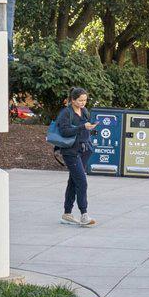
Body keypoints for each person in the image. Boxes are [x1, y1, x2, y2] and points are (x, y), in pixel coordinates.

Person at [49, 88, 97, 227]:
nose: (83, 103)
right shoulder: (66, 113)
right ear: (73, 100)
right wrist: (82, 127)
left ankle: (67, 214)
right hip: (71, 152)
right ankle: (84, 214)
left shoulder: (85, 111)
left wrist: (90, 127)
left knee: (73, 181)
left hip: (84, 150)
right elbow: (64, 131)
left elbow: (85, 128)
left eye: (85, 100)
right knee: (81, 182)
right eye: (80, 100)